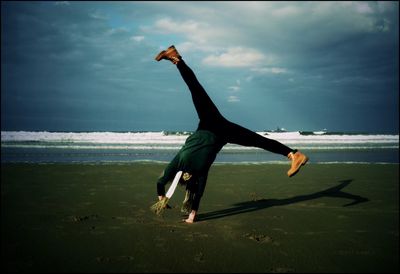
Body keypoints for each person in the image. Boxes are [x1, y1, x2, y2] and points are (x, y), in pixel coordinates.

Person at [151, 45, 308, 223]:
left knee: (258, 140)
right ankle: (293, 154)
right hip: (212, 124)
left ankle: (294, 154)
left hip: (217, 128)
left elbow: (198, 192)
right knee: (195, 88)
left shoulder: (200, 172)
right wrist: (161, 198)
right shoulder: (180, 162)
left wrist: (191, 216)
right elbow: (161, 181)